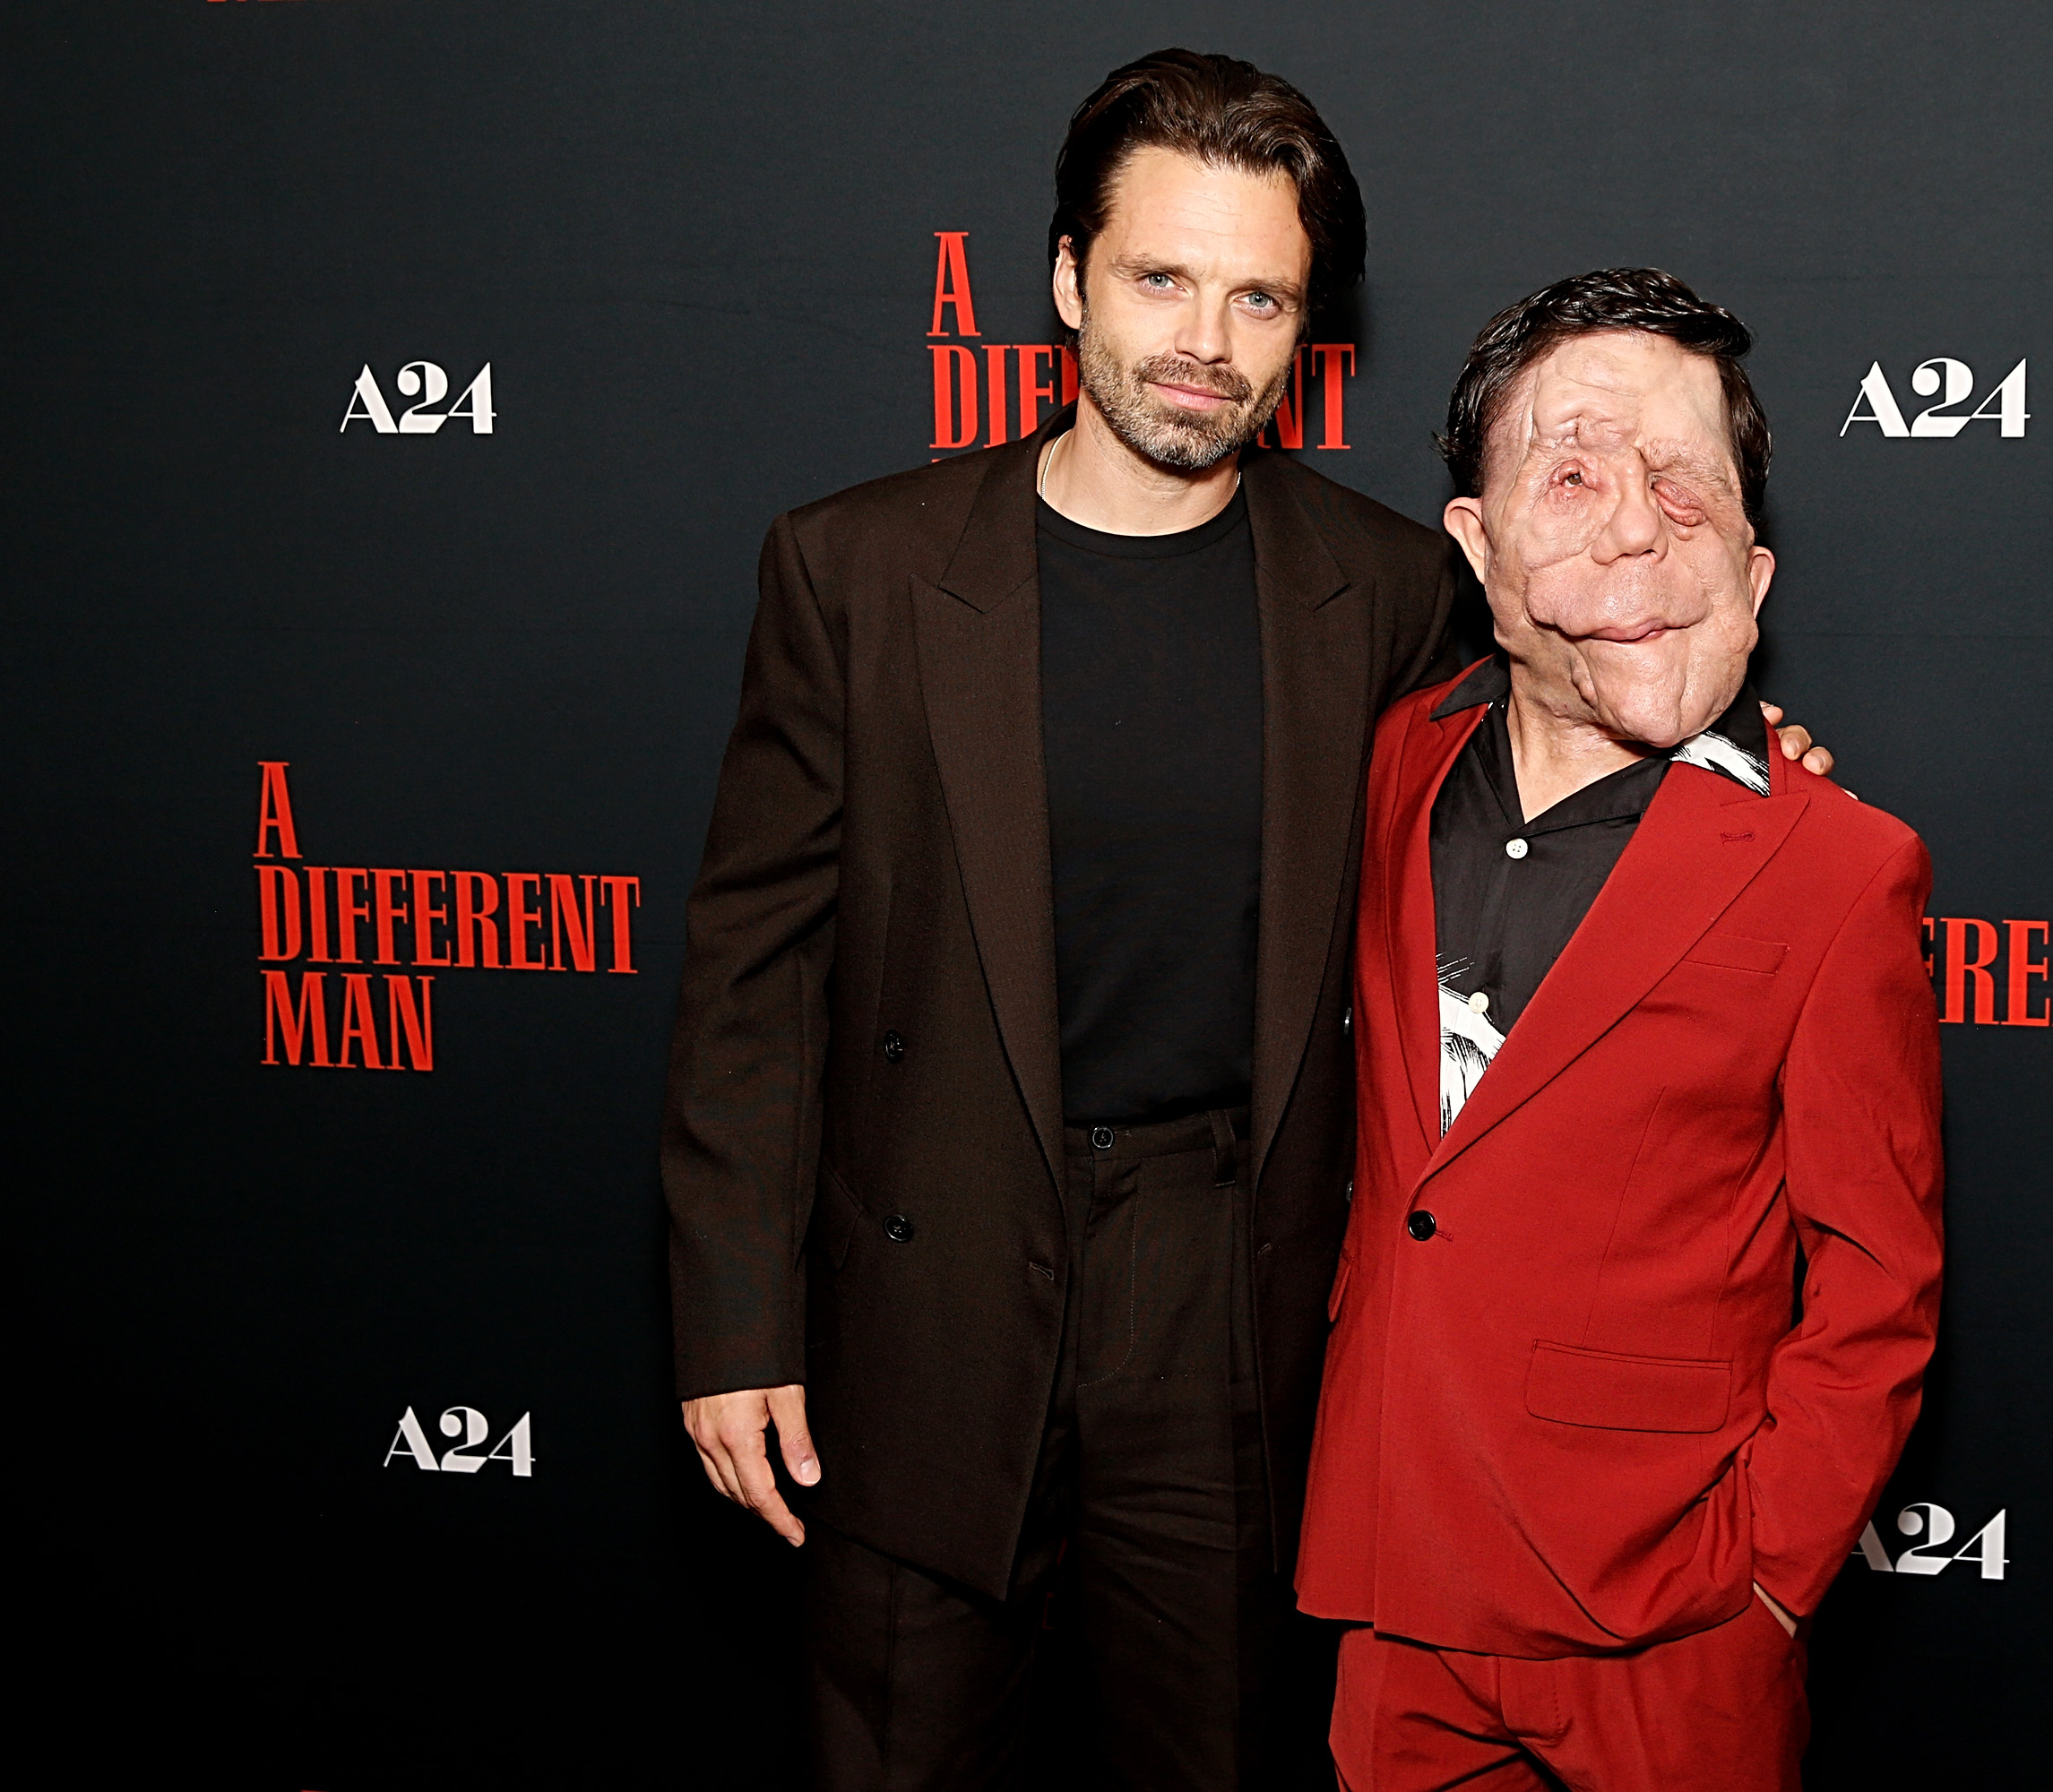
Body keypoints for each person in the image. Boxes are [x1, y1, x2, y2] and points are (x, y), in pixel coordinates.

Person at [662, 48, 1832, 1789]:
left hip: (1227, 1287)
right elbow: (755, 973)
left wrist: (1737, 751)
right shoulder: (859, 572)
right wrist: (737, 1320)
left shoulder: (1388, 588)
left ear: (1306, 330)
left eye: (1259, 296)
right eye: (1162, 278)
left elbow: (1569, 725)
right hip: (929, 1275)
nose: (1205, 339)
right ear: (1068, 280)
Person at [1296, 268, 1944, 1792]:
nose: (1639, 530)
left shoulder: (1838, 868)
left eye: (1685, 485)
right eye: (1576, 476)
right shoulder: (1382, 766)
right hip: (1393, 1583)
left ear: (1757, 571)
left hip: (1667, 1619)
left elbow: (1877, 1284)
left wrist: (1766, 1579)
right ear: (1476, 546)